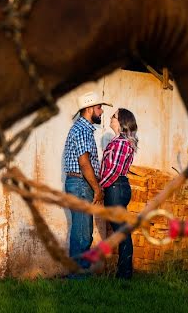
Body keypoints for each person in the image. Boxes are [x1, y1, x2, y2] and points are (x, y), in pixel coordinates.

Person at [62, 90, 109, 270]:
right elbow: (84, 163)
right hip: (81, 184)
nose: (101, 111)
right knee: (82, 234)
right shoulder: (82, 129)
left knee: (83, 232)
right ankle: (78, 276)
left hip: (80, 184)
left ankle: (78, 275)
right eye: (99, 107)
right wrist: (97, 189)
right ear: (89, 109)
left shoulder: (84, 129)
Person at [100, 108, 139, 280]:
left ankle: (124, 275)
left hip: (115, 187)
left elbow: (114, 170)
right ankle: (124, 273)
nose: (110, 117)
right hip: (117, 187)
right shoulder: (120, 141)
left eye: (114, 116)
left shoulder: (121, 143)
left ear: (121, 122)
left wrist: (100, 187)